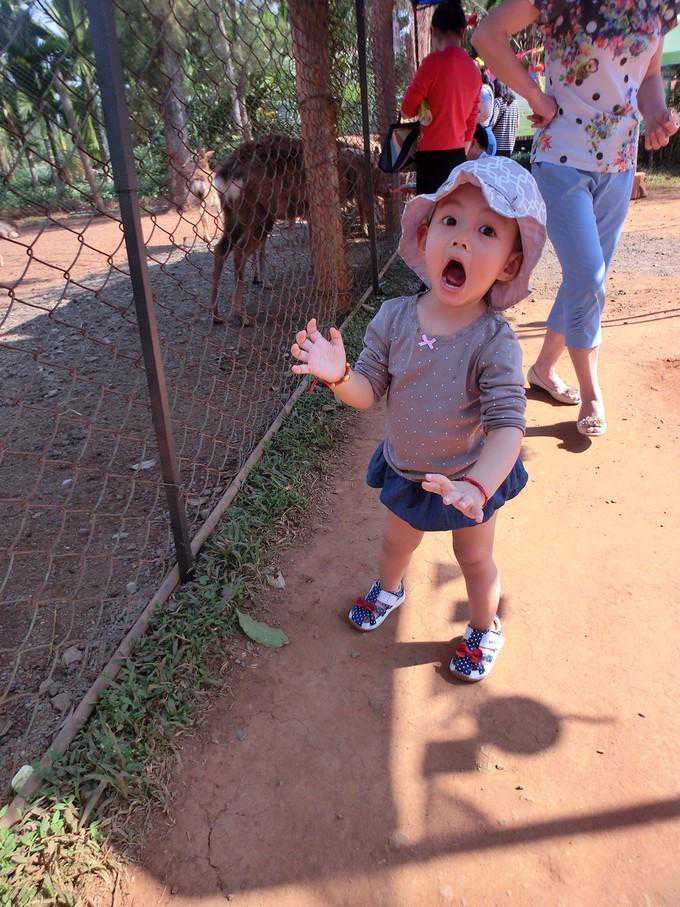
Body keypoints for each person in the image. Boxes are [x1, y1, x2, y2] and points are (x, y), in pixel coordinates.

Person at [290, 158, 547, 681]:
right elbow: (367, 392)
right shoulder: (394, 318)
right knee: (394, 542)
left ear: (508, 265)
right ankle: (389, 589)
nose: (462, 239)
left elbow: (507, 427)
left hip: (468, 479)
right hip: (407, 471)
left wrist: (477, 487)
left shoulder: (494, 342)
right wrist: (339, 377)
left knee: (474, 557)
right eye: (450, 221)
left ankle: (484, 626)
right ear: (426, 236)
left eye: (487, 231)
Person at [474, 0, 679, 436]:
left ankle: (544, 369)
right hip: (562, 158)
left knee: (585, 279)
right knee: (588, 276)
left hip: (620, 164)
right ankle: (590, 391)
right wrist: (534, 96)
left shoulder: (659, 6)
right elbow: (487, 35)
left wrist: (656, 113)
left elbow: (648, 76)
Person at [401, 0, 481, 194]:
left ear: (433, 31)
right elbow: (472, 119)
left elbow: (407, 109)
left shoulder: (432, 63)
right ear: (462, 31)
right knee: (451, 210)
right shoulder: (474, 69)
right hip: (458, 155)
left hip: (431, 156)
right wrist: (462, 151)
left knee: (429, 210)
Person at [492, 83, 520, 157]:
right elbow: (517, 124)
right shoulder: (514, 103)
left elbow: (492, 122)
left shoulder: (498, 101)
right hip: (510, 145)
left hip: (497, 144)